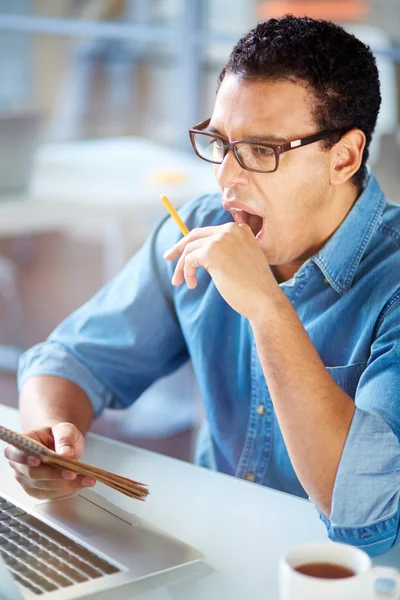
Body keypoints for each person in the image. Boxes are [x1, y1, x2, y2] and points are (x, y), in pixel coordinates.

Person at [5, 16, 400, 557]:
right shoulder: (198, 227)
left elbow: (363, 512)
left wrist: (266, 307)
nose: (226, 179)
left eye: (262, 151)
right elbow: (70, 359)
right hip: (213, 548)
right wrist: (50, 439)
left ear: (344, 157)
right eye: (221, 143)